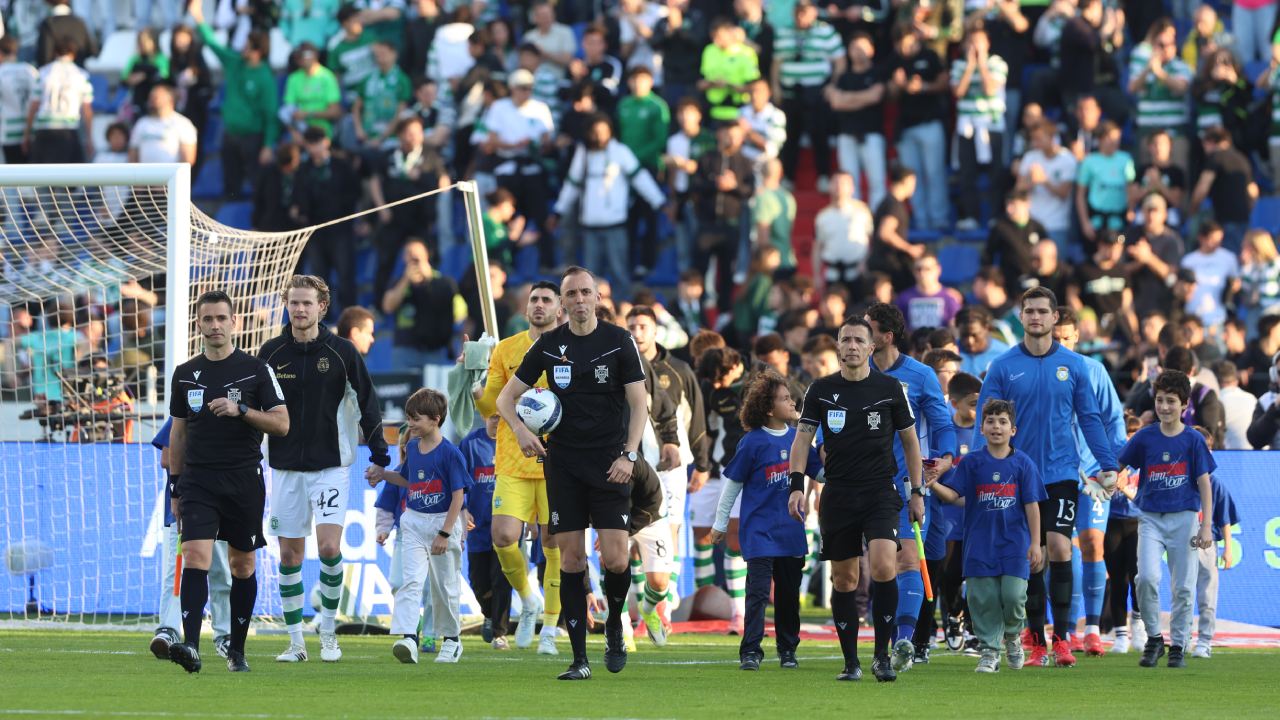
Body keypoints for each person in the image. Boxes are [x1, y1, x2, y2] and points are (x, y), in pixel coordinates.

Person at [496, 266, 650, 680]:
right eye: (571, 294)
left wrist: (629, 456)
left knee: (617, 560)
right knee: (571, 559)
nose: (579, 299)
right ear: (562, 304)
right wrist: (522, 431)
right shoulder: (548, 345)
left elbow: (639, 403)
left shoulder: (619, 341)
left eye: (586, 292)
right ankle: (579, 659)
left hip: (610, 464)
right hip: (562, 464)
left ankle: (615, 625)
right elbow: (506, 399)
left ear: (598, 298)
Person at [971, 286, 1120, 668]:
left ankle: (1063, 639)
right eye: (1029, 311)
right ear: (1021, 318)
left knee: (1058, 548)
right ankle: (1036, 641)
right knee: (1031, 557)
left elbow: (1090, 418)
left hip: (1061, 474)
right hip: (1016, 476)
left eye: (1042, 311)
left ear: (1056, 318)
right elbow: (982, 424)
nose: (1036, 317)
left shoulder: (1075, 366)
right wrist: (975, 467)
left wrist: (1107, 464)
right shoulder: (1003, 367)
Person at [258, 275, 389, 663]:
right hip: (284, 468)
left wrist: (379, 453)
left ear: (322, 307)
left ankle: (328, 632)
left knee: (330, 547)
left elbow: (368, 402)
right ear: (287, 305)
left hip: (331, 466)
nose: (300, 309)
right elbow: (254, 407)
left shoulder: (343, 351)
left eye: (307, 303)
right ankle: (296, 642)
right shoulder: (270, 352)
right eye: (294, 302)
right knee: (289, 556)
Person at [789, 314, 922, 682]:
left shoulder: (891, 388)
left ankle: (883, 656)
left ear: (871, 347)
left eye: (859, 341)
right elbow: (801, 441)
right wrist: (796, 485)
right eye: (845, 339)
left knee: (883, 566)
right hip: (838, 494)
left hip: (881, 491)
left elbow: (911, 443)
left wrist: (917, 491)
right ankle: (851, 662)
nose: (851, 346)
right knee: (845, 579)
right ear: (837, 345)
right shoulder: (819, 389)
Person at [166, 290, 290, 674]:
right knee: (196, 557)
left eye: (222, 318)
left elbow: (282, 424)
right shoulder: (185, 373)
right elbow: (179, 435)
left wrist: (242, 410)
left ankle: (236, 650)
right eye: (208, 319)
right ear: (199, 324)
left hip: (243, 480)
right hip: (199, 480)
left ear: (234, 322)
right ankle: (190, 645)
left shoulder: (256, 370)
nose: (215, 325)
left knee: (242, 566)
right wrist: (174, 484)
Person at [862, 302, 956, 672]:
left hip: (905, 487)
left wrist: (946, 459)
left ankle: (903, 641)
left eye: (866, 330)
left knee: (905, 559)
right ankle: (879, 645)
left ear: (886, 337)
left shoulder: (920, 376)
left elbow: (942, 424)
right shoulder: (853, 375)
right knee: (870, 570)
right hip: (859, 487)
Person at [472, 281, 564, 655]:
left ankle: (551, 629)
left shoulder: (569, 348)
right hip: (512, 457)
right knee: (503, 536)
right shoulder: (506, 349)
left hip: (559, 462)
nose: (538, 305)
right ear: (526, 308)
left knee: (553, 542)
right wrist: (476, 388)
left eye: (546, 300)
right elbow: (492, 406)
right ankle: (529, 601)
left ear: (559, 308)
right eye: (534, 300)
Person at [710, 371, 820, 670]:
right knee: (757, 593)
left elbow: (820, 472)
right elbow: (732, 484)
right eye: (785, 399)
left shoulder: (800, 438)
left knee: (787, 595)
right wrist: (721, 524)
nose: (792, 402)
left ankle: (787, 649)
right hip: (759, 532)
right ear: (769, 409)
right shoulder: (752, 442)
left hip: (792, 532)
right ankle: (751, 652)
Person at [928, 397, 1045, 673]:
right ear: (981, 429)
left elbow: (1032, 505)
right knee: (983, 601)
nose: (996, 427)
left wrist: (1036, 543)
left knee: (1015, 596)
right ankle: (990, 653)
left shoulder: (1024, 463)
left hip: (1015, 544)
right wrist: (932, 485)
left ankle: (1014, 637)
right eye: (990, 421)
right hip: (979, 545)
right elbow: (958, 497)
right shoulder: (971, 462)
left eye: (1003, 422)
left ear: (1012, 430)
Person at [1116, 370, 1215, 668]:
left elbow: (1205, 484)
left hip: (1185, 519)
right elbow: (1118, 465)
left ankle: (1179, 646)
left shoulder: (1194, 440)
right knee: (1145, 578)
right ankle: (1155, 639)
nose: (1164, 407)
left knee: (1183, 587)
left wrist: (1206, 524)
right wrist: (1105, 479)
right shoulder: (1145, 436)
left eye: (1171, 401)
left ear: (1184, 404)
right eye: (1159, 400)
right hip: (1150, 519)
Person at [367, 389, 471, 664]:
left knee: (444, 587)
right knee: (409, 581)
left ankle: (451, 641)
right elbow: (406, 479)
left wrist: (445, 533)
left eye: (416, 418)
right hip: (412, 521)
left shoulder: (451, 453)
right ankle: (407, 638)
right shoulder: (412, 447)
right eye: (409, 418)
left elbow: (459, 496)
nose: (410, 424)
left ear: (435, 419)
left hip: (442, 524)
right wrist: (381, 474)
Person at [1051, 307, 1128, 657]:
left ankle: (1093, 629)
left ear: (1077, 337)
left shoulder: (1094, 371)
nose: (1061, 344)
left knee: (1093, 545)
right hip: (1054, 474)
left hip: (1093, 476)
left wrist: (1113, 466)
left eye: (1066, 338)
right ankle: (1063, 629)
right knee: (1059, 551)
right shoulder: (1041, 372)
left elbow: (1114, 422)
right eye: (1055, 339)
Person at [627, 304, 709, 621]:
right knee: (633, 535)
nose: (637, 333)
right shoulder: (618, 366)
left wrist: (701, 464)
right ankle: (640, 603)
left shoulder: (678, 369)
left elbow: (695, 417)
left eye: (643, 326)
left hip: (671, 465)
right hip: (633, 463)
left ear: (656, 331)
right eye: (631, 326)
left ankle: (664, 601)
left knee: (669, 530)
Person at [148, 418, 233, 663]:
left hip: (223, 502)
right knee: (177, 572)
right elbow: (166, 458)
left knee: (221, 571)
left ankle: (225, 635)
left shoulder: (231, 413)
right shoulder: (184, 410)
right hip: (187, 504)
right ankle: (168, 630)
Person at [551, 113, 665, 290]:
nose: (599, 136)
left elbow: (641, 179)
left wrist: (660, 202)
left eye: (603, 132)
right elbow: (571, 186)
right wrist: (559, 211)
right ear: (587, 133)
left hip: (616, 226)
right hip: (590, 228)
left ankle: (620, 312)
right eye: (595, 132)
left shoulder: (620, 151)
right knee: (589, 281)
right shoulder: (583, 153)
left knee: (620, 275)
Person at [191, 0, 277, 199]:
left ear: (258, 52)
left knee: (258, 184)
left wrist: (267, 145)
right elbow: (212, 43)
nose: (242, 48)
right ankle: (230, 225)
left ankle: (256, 226)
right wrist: (199, 17)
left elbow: (271, 115)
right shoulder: (235, 63)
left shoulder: (265, 78)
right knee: (231, 184)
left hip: (253, 138)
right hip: (230, 135)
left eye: (247, 46)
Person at [370, 115, 451, 303]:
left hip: (420, 220)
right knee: (385, 262)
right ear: (399, 134)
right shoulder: (388, 155)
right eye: (408, 132)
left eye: (417, 132)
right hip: (394, 219)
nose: (413, 136)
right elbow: (375, 181)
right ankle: (378, 305)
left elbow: (444, 182)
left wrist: (421, 176)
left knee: (424, 262)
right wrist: (382, 208)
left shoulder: (431, 154)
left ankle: (430, 301)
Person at [481, 68, 555, 270]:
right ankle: (506, 262)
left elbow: (547, 142)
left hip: (532, 169)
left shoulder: (540, 108)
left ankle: (546, 262)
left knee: (540, 217)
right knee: (508, 218)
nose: (527, 92)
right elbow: (492, 140)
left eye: (530, 88)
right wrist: (514, 146)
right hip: (507, 168)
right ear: (512, 89)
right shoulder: (499, 107)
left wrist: (535, 145)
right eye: (523, 88)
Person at [773, 0, 843, 189]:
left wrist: (833, 85)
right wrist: (775, 86)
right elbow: (777, 62)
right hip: (791, 91)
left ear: (813, 12)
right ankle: (788, 178)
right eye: (798, 11)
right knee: (791, 136)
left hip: (816, 91)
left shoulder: (826, 31)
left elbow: (840, 61)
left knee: (820, 134)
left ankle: (823, 176)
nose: (801, 15)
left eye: (805, 11)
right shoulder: (784, 32)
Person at [292, 128, 362, 315]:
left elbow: (355, 192)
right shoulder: (304, 170)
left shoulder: (342, 166)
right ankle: (324, 318)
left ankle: (350, 315)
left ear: (326, 142)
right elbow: (298, 196)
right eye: (310, 144)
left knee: (345, 275)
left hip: (340, 229)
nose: (314, 148)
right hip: (315, 232)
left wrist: (340, 209)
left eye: (317, 142)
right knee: (319, 279)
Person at [888, 21, 949, 231]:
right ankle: (922, 221)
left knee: (935, 174)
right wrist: (897, 86)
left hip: (930, 122)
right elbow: (890, 95)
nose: (903, 50)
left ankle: (939, 220)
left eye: (906, 44)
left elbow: (944, 82)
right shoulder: (894, 61)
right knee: (910, 179)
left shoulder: (930, 56)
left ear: (915, 38)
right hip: (906, 127)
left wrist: (922, 87)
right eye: (899, 46)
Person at [950, 21, 1008, 231]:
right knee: (967, 175)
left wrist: (982, 64)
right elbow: (958, 92)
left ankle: (994, 216)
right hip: (967, 128)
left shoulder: (997, 63)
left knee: (995, 174)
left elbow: (990, 88)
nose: (974, 45)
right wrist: (970, 66)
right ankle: (971, 216)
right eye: (971, 41)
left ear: (988, 44)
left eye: (979, 41)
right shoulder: (958, 65)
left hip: (991, 127)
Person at [1187, 426, 1239, 660]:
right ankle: (1183, 639)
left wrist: (1228, 549)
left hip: (1207, 546)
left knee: (1207, 595)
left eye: (1208, 449)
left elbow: (1225, 519)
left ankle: (1205, 641)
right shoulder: (1179, 481)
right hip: (1183, 544)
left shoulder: (1215, 483)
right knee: (1182, 593)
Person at [691, 123, 755, 311]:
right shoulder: (706, 158)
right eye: (729, 134)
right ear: (719, 134)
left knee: (728, 272)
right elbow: (694, 186)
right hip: (707, 224)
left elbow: (749, 190)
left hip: (730, 226)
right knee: (699, 270)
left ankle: (724, 311)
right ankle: (698, 308)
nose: (733, 139)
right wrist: (715, 184)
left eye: (738, 135)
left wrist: (733, 186)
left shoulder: (745, 162)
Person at [459, 412, 510, 648]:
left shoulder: (514, 441)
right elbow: (457, 479)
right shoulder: (470, 443)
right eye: (493, 415)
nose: (497, 419)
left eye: (501, 415)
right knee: (478, 580)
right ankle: (489, 614)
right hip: (477, 524)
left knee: (502, 579)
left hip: (506, 522)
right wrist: (463, 507)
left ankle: (500, 634)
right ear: (482, 414)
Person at [382, 240, 466, 370]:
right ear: (404, 257)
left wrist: (429, 280)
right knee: (404, 389)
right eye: (409, 254)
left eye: (418, 254)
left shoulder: (443, 282)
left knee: (432, 390)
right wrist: (406, 280)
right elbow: (388, 307)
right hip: (405, 348)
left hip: (433, 349)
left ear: (427, 255)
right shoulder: (397, 282)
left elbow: (459, 313)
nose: (414, 258)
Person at [828, 32, 887, 212]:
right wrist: (864, 97)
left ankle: (876, 226)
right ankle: (853, 224)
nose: (859, 52)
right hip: (847, 135)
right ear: (849, 51)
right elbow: (836, 103)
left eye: (863, 47)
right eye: (855, 48)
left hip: (871, 134)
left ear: (872, 50)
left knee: (877, 182)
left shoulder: (878, 72)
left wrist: (848, 99)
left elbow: (876, 96)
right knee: (849, 184)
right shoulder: (844, 77)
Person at [1128, 19, 1193, 173]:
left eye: (1168, 44)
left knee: (1178, 174)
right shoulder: (1143, 64)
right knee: (1144, 175)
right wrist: (1148, 70)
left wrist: (1159, 73)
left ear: (1174, 46)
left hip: (1174, 130)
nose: (1164, 49)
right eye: (1159, 44)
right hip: (1147, 129)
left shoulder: (1181, 66)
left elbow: (1182, 87)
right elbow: (1131, 88)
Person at [23, 37, 93, 164]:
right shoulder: (81, 75)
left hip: (45, 128)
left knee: (42, 178)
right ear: (74, 54)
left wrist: (26, 134)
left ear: (55, 53)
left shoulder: (43, 73)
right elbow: (87, 110)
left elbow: (34, 105)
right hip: (68, 129)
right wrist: (89, 138)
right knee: (67, 178)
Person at [1188, 126, 1257, 254]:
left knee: (1227, 261)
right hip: (1243, 220)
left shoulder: (1215, 156)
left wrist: (1193, 210)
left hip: (1225, 221)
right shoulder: (1242, 159)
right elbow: (1253, 192)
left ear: (1210, 142)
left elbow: (1203, 187)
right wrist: (1245, 211)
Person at [1015, 119, 1076, 251]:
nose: (1034, 143)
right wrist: (1032, 181)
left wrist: (1043, 180)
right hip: (1031, 223)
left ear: (1050, 137)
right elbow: (1018, 188)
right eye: (1032, 139)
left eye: (1038, 139)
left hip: (1057, 225)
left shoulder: (1068, 159)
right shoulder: (1030, 157)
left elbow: (1064, 194)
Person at [1075, 121, 1135, 251]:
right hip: (1096, 221)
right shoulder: (1089, 161)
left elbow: (1131, 188)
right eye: (1110, 138)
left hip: (1119, 221)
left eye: (1117, 138)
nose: (1115, 142)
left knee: (1118, 255)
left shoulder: (1126, 159)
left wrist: (1131, 209)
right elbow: (1080, 194)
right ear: (1100, 139)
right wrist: (1085, 222)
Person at [813, 172, 874, 292]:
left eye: (844, 183)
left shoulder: (862, 210)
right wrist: (816, 275)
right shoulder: (822, 216)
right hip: (833, 274)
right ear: (829, 186)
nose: (839, 186)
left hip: (857, 273)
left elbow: (872, 239)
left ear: (852, 188)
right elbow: (817, 247)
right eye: (835, 182)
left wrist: (866, 262)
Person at [1125, 194, 1184, 319]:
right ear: (1142, 212)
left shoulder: (1171, 239)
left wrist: (1148, 258)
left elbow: (1171, 275)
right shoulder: (1131, 235)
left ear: (1164, 214)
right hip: (1134, 301)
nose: (1151, 216)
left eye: (1155, 211)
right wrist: (1139, 263)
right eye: (1148, 211)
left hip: (1161, 303)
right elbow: (1119, 269)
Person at [984, 190, 1048, 299]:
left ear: (1027, 205)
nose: (1009, 209)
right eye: (1007, 204)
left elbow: (1047, 253)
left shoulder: (1038, 227)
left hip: (1035, 282)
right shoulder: (1000, 228)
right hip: (1010, 284)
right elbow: (988, 255)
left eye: (1013, 205)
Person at [1180, 222, 1239, 337]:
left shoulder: (1228, 258)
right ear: (1201, 238)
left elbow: (1236, 283)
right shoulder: (1188, 260)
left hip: (1217, 319)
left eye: (1219, 239)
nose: (1217, 243)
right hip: (1193, 319)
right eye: (1212, 239)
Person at [869, 165, 922, 293]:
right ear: (906, 181)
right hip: (889, 263)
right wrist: (910, 249)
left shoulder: (887, 201)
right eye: (913, 182)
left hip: (881, 261)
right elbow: (885, 233)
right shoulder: (894, 204)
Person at [352, 40, 412, 149]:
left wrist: (383, 137)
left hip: (391, 138)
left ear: (394, 55)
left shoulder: (402, 80)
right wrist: (359, 130)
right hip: (367, 135)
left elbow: (401, 111)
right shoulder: (368, 78)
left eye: (383, 53)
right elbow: (356, 106)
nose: (379, 57)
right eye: (377, 54)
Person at [282, 42, 344, 142]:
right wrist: (294, 133)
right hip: (299, 129)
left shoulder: (327, 77)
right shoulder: (293, 78)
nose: (299, 60)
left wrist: (308, 113)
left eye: (303, 56)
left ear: (314, 56)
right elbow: (288, 110)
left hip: (322, 130)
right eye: (298, 57)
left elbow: (335, 111)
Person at [127, 85, 196, 165]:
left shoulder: (183, 124)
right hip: (145, 176)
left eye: (155, 98)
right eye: (150, 98)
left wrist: (172, 175)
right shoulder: (141, 123)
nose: (151, 102)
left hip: (171, 176)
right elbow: (133, 155)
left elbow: (188, 159)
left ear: (169, 100)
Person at [895, 252, 961, 334]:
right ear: (913, 271)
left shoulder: (950, 298)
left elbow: (955, 330)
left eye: (928, 269)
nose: (922, 273)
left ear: (938, 270)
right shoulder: (903, 298)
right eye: (919, 269)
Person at [754, 158, 798, 270]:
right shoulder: (789, 197)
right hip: (787, 257)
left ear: (761, 172)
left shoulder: (763, 197)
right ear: (781, 173)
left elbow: (763, 234)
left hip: (771, 263)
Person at [0, 36, 38, 165]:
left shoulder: (1, 72)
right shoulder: (31, 71)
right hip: (31, 131)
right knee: (30, 180)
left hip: (8, 132)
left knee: (12, 180)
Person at [36, 0, 97, 68]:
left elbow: (44, 58)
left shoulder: (48, 24)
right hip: (79, 74)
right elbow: (93, 53)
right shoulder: (80, 23)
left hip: (55, 75)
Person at [955, 304, 1009, 376]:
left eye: (975, 335)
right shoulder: (948, 353)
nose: (969, 341)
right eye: (964, 335)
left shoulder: (1004, 355)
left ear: (986, 328)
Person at [1214, 360, 1257, 450]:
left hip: (1232, 458)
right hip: (1263, 457)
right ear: (1237, 381)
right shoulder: (1252, 398)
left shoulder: (1216, 402)